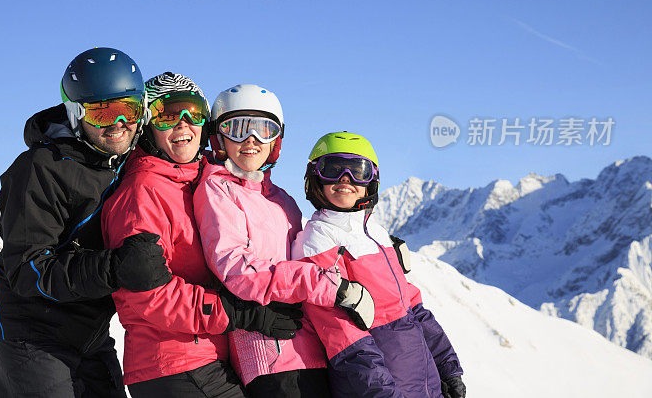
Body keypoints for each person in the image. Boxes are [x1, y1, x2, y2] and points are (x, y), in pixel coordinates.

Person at [101, 73, 302, 398]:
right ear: (147, 127)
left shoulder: (202, 182)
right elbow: (149, 296)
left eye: (192, 112)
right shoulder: (142, 193)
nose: (182, 124)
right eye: (166, 114)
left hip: (210, 358)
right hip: (172, 364)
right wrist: (235, 312)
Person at [0, 48, 173, 398]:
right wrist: (115, 268)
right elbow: (27, 268)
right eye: (101, 112)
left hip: (90, 330)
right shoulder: (39, 169)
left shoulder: (129, 161)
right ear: (75, 114)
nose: (118, 124)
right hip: (32, 330)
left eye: (128, 109)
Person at [193, 84, 375, 398]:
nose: (251, 140)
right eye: (236, 128)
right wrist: (325, 285)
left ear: (276, 140)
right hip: (269, 355)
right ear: (219, 137)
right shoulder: (217, 189)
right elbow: (236, 268)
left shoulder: (283, 200)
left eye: (264, 129)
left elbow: (312, 256)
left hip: (314, 348)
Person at [293, 132, 466, 398]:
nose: (345, 179)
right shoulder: (316, 240)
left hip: (423, 381)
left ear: (371, 181)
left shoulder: (376, 233)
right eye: (333, 169)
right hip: (377, 387)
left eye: (358, 172)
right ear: (315, 177)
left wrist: (448, 369)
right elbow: (341, 334)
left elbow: (413, 307)